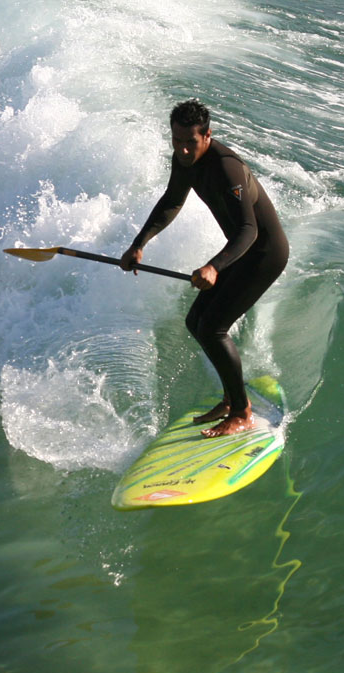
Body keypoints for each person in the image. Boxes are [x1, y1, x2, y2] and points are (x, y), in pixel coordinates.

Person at [120, 99, 289, 437]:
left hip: (265, 254)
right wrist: (139, 244)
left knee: (213, 326)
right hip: (241, 254)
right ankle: (231, 399)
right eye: (176, 141)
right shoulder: (184, 160)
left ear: (207, 135)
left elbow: (249, 230)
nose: (183, 150)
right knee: (196, 321)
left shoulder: (227, 168)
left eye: (190, 142)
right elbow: (171, 201)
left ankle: (242, 412)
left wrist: (213, 266)